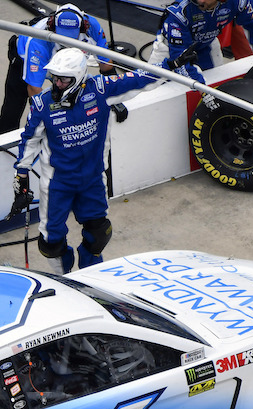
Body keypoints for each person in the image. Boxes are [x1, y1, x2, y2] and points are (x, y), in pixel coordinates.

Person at [12, 48, 158, 275]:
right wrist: (21, 176)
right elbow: (29, 140)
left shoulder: (100, 89)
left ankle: (91, 275)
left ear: (79, 77)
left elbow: (141, 79)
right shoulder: (42, 104)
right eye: (54, 78)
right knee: (50, 243)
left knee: (99, 233)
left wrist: (170, 65)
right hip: (57, 183)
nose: (57, 84)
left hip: (93, 177)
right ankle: (65, 277)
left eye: (64, 79)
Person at [0, 3, 113, 135]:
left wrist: (114, 99)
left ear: (83, 27)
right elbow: (34, 89)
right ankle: (1, 140)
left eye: (71, 35)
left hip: (64, 62)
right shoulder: (38, 42)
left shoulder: (92, 27)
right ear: (52, 27)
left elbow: (106, 65)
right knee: (13, 108)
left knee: (76, 99)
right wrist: (47, 120)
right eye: (62, 35)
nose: (66, 40)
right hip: (27, 58)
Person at [147, 0, 253, 84]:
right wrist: (202, 89)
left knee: (218, 84)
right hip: (169, 50)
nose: (200, 1)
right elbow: (180, 59)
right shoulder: (179, 12)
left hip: (206, 45)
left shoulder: (239, 2)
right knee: (149, 91)